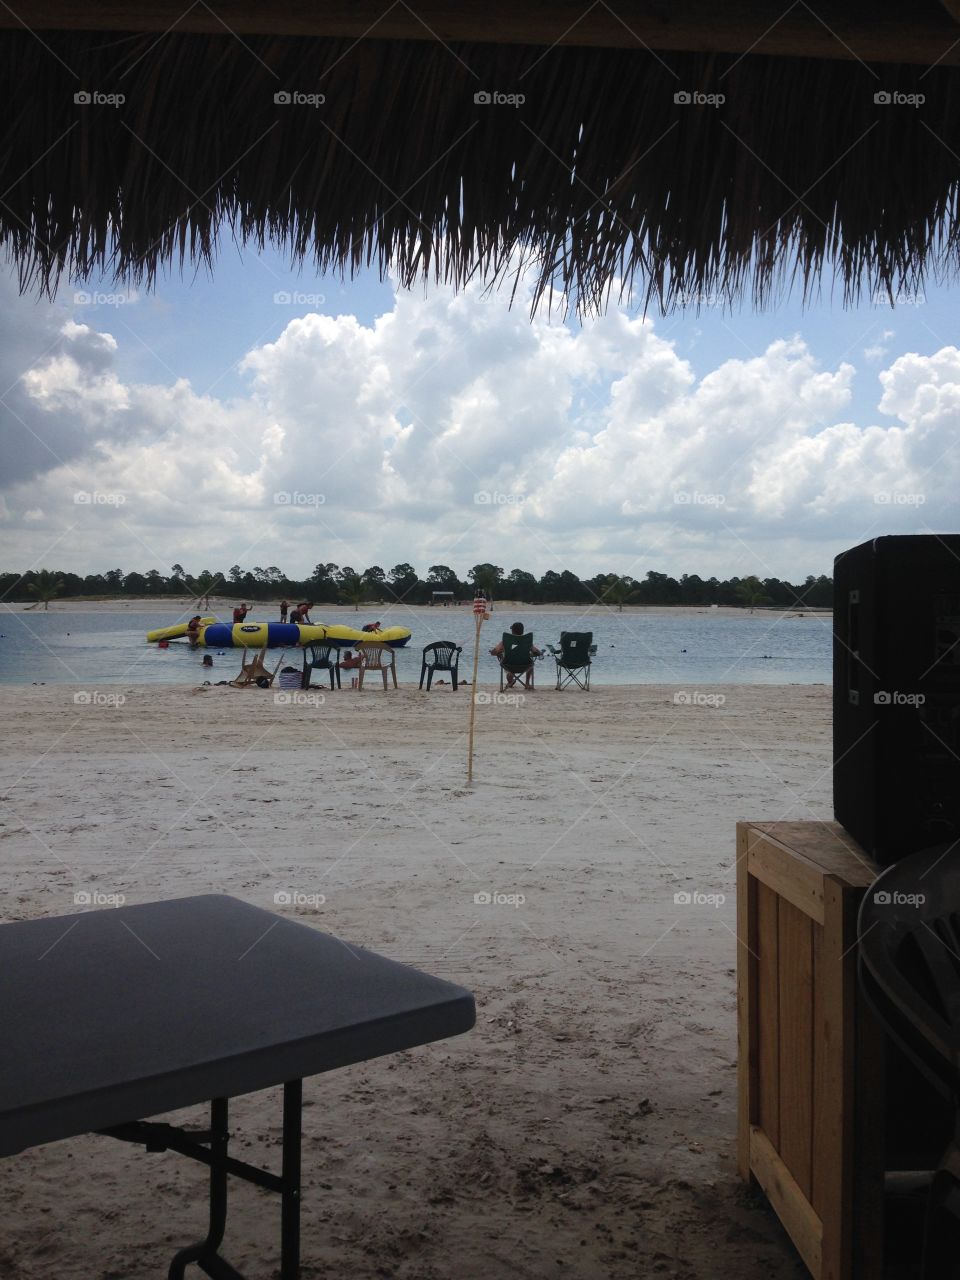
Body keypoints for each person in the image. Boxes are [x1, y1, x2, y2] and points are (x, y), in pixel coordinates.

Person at [490, 621, 541, 689]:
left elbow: (494, 652)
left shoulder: (505, 641)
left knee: (509, 669)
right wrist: (535, 653)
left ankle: (510, 682)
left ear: (513, 631)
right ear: (522, 631)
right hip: (525, 665)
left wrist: (497, 652)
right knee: (531, 662)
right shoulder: (527, 641)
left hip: (509, 665)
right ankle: (527, 683)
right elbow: (537, 652)